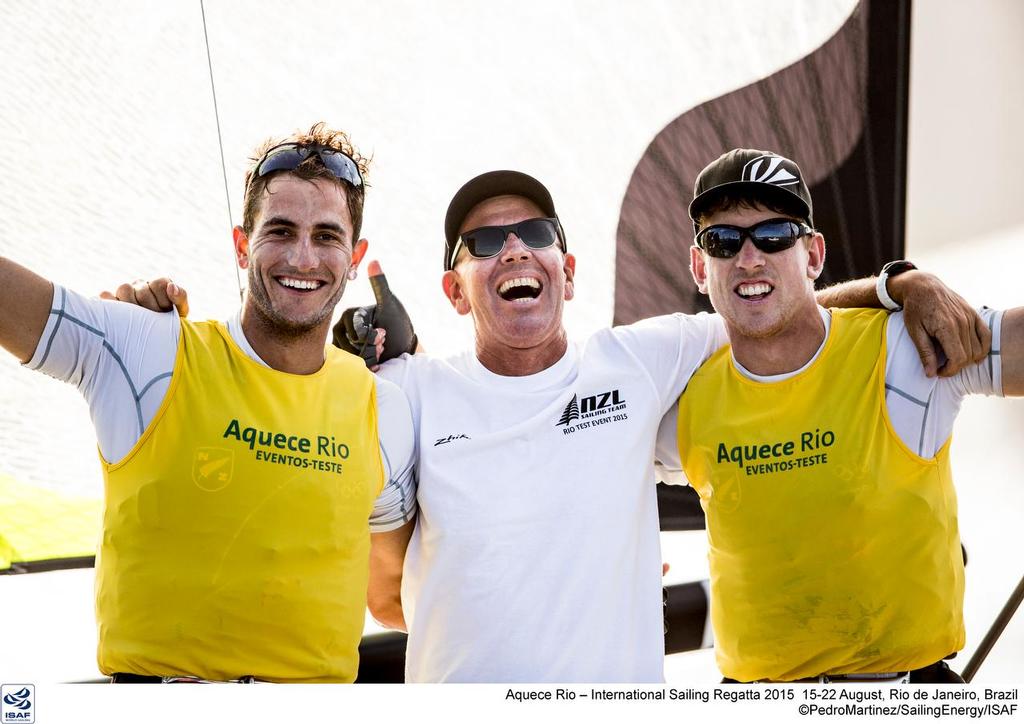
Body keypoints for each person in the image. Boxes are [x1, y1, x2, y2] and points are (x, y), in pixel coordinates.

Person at [126, 170, 986, 682]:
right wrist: (155, 330)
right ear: (454, 288)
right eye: (483, 242)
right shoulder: (407, 390)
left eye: (533, 233)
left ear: (567, 271)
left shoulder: (648, 360)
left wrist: (896, 286)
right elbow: (379, 590)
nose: (512, 250)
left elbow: (772, 310)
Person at [0, 123, 417, 683]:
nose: (302, 257)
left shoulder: (384, 406)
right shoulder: (148, 344)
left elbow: (393, 602)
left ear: (354, 254)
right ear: (242, 244)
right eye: (280, 231)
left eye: (326, 237)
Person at [655, 148, 1022, 683]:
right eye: (724, 241)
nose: (749, 258)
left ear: (813, 254)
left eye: (775, 235)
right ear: (698, 265)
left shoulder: (909, 344)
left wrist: (898, 287)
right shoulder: (679, 399)